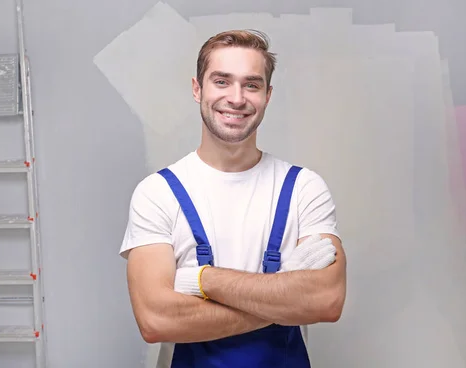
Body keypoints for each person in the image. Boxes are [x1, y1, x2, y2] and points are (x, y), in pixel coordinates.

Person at [119, 29, 347, 368]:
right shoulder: (158, 193)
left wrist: (200, 280)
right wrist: (283, 295)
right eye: (222, 81)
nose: (237, 98)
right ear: (197, 89)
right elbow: (155, 320)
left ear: (267, 95)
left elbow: (326, 301)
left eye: (251, 85)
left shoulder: (303, 188)